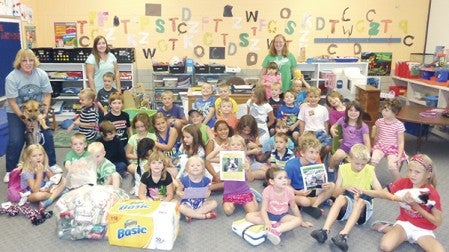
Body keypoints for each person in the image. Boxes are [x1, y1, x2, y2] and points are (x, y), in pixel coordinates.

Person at [363, 154, 444, 252]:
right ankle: (399, 233)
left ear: (428, 174)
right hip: (405, 223)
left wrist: (416, 206)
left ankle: (392, 230)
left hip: (423, 230)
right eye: (410, 170)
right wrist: (363, 191)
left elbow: (437, 221)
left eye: (417, 172)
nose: (412, 175)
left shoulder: (431, 193)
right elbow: (382, 193)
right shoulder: (404, 182)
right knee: (385, 246)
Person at [310, 144, 382, 251]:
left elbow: (379, 192)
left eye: (363, 164)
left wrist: (363, 191)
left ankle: (343, 235)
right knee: (339, 199)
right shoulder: (343, 168)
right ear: (349, 159)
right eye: (357, 163)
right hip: (348, 202)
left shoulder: (370, 170)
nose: (360, 167)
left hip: (364, 205)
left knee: (360, 202)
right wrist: (345, 187)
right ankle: (324, 231)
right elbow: (335, 193)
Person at [4, 49, 57, 183]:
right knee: (16, 140)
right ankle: (10, 170)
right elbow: (12, 101)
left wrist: (44, 114)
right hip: (16, 111)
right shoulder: (12, 77)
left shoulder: (41, 74)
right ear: (19, 62)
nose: (28, 63)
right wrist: (24, 119)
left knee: (47, 134)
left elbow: (46, 95)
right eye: (24, 60)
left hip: (37, 110)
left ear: (35, 61)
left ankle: (53, 164)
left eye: (31, 60)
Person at [246, 167, 313, 245]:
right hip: (268, 214)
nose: (284, 180)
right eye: (280, 178)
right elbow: (263, 209)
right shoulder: (267, 191)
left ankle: (276, 230)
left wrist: (302, 221)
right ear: (271, 181)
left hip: (282, 216)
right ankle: (274, 224)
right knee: (249, 216)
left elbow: (294, 206)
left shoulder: (289, 191)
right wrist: (267, 222)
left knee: (297, 221)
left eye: (285, 177)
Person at [285, 133, 335, 219]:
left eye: (317, 152)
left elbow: (317, 183)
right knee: (304, 201)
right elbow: (286, 185)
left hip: (310, 190)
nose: (314, 156)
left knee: (332, 186)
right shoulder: (291, 165)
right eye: (311, 152)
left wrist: (323, 185)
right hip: (296, 192)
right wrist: (298, 192)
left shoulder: (315, 165)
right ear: (302, 153)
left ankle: (315, 205)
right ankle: (319, 201)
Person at [19, 144, 66, 209]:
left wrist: (51, 183)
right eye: (34, 156)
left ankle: (52, 196)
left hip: (42, 187)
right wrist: (39, 174)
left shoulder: (43, 165)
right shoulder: (26, 171)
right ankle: (56, 195)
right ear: (29, 158)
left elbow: (53, 180)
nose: (38, 157)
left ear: (44, 156)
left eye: (40, 155)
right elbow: (35, 190)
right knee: (39, 195)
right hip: (29, 193)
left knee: (63, 180)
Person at [329, 101, 371, 174]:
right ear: (347, 111)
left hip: (358, 149)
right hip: (346, 146)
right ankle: (330, 169)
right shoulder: (343, 120)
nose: (353, 113)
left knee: (356, 165)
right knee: (335, 157)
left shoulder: (363, 126)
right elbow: (334, 126)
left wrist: (367, 154)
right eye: (350, 110)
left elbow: (367, 141)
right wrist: (332, 129)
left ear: (360, 113)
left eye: (356, 111)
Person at [370, 98, 406, 181]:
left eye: (387, 110)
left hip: (393, 148)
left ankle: (399, 183)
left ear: (394, 113)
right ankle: (370, 180)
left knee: (392, 165)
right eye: (383, 109)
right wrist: (374, 147)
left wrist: (399, 156)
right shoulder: (379, 121)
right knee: (373, 161)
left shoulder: (399, 125)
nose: (383, 112)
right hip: (380, 146)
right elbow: (377, 135)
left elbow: (401, 142)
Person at [222, 135, 258, 215]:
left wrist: (248, 169)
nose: (235, 147)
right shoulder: (225, 158)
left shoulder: (245, 160)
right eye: (233, 145)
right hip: (229, 192)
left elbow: (251, 179)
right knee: (228, 211)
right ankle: (235, 202)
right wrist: (219, 150)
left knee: (252, 212)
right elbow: (209, 159)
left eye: (238, 145)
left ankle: (253, 196)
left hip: (243, 191)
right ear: (229, 146)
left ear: (243, 147)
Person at [176, 156, 218, 222]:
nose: (195, 167)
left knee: (214, 203)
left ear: (202, 168)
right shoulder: (184, 180)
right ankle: (203, 216)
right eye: (192, 166)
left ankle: (191, 214)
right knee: (181, 208)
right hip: (188, 203)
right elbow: (178, 190)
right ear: (187, 169)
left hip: (201, 202)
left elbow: (208, 190)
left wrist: (208, 193)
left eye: (198, 165)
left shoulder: (206, 180)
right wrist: (180, 193)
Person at [298, 87, 332, 160]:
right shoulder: (304, 108)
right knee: (309, 148)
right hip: (308, 132)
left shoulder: (323, 109)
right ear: (307, 97)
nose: (313, 99)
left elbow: (326, 123)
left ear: (319, 98)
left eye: (316, 97)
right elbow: (302, 122)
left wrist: (326, 134)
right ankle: (312, 159)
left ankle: (318, 159)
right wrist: (301, 135)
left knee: (328, 147)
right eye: (310, 97)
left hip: (321, 132)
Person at [205, 120, 233, 190]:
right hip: (214, 167)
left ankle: (213, 187)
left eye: (225, 129)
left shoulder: (231, 140)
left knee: (238, 177)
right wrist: (214, 175)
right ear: (215, 132)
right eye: (220, 130)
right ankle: (210, 187)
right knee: (230, 180)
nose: (223, 132)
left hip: (227, 165)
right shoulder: (212, 142)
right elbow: (207, 161)